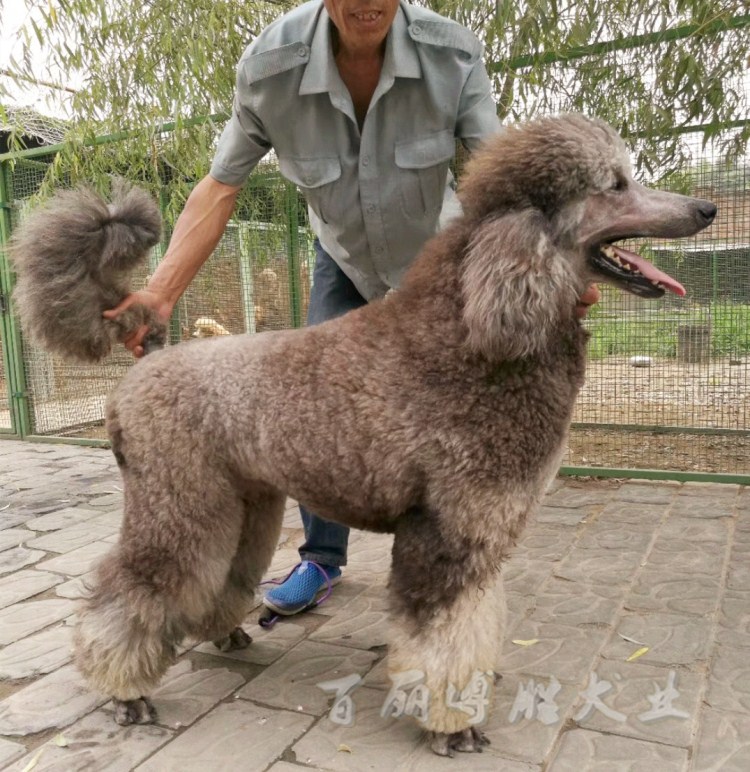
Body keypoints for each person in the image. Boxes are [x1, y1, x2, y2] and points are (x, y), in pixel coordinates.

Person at [106, 0, 599, 619]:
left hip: (436, 262)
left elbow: (501, 184)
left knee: (465, 412)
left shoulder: (453, 52)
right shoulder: (268, 67)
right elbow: (220, 185)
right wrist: (162, 291)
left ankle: (453, 547)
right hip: (341, 255)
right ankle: (320, 559)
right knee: (304, 410)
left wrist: (561, 265)